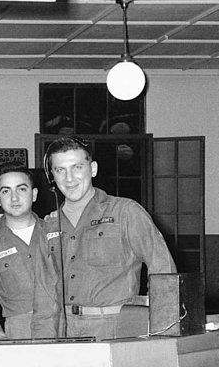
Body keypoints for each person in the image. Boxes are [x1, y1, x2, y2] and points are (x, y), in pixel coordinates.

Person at [44, 136, 176, 340]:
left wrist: (163, 329)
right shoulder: (49, 224)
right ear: (52, 176)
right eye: (60, 170)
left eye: (77, 167)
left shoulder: (125, 212)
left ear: (93, 169)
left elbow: (164, 270)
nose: (69, 178)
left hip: (114, 328)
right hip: (62, 329)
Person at [0, 162, 59, 340]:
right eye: (6, 191)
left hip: (61, 322)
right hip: (18, 329)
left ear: (34, 194)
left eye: (21, 189)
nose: (14, 198)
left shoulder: (56, 233)